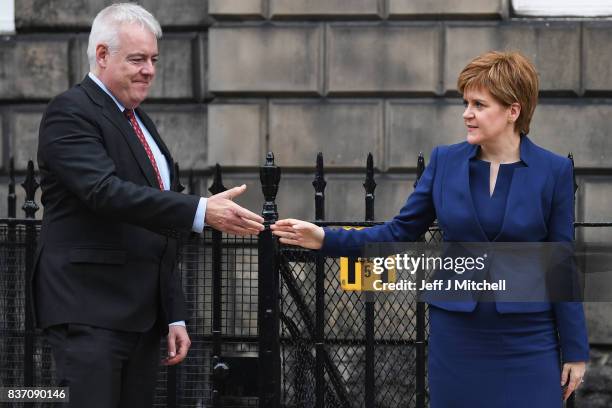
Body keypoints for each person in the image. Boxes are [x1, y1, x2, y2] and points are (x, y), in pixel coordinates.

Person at [271, 51, 589, 407]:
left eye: (479, 104)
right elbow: (398, 233)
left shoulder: (554, 171)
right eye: (466, 102)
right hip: (457, 337)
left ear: (513, 111)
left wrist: (576, 350)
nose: (467, 113)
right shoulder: (445, 162)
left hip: (529, 338)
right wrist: (325, 238)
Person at [32, 3, 264, 407]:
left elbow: (158, 231)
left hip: (140, 318)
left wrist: (173, 313)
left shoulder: (140, 122)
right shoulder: (70, 111)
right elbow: (104, 191)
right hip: (88, 311)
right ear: (102, 55)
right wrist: (199, 210)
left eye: (154, 59)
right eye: (137, 59)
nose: (149, 70)